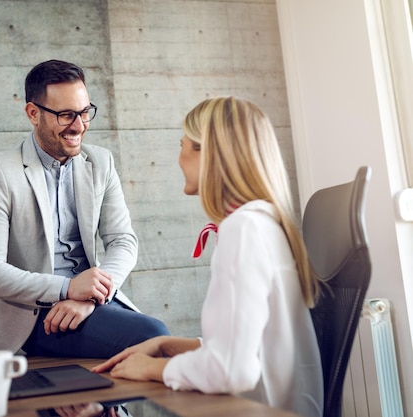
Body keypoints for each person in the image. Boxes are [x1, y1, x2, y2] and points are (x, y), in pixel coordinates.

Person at [92, 96, 324, 417]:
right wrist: (168, 345)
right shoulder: (261, 221)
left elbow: (232, 369)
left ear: (208, 153)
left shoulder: (244, 228)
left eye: (184, 145)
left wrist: (151, 369)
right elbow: (252, 344)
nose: (179, 158)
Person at [0, 59, 169, 359]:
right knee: (153, 338)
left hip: (91, 304)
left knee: (159, 342)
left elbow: (123, 240)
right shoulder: (1, 172)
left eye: (85, 112)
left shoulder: (101, 162)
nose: (79, 125)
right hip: (34, 318)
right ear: (33, 114)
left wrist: (91, 297)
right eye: (66, 115)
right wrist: (67, 288)